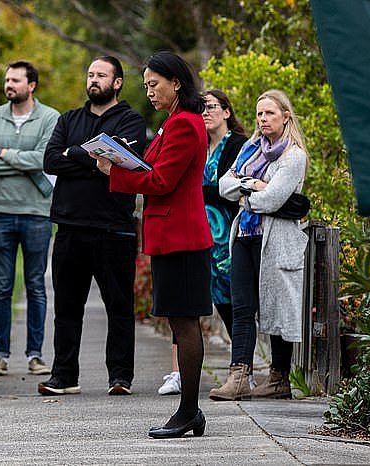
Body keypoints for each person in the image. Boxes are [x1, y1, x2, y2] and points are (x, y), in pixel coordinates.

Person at [92, 51, 212, 438]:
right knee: (180, 322)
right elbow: (152, 170)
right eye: (144, 86)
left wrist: (115, 172)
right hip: (170, 236)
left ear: (176, 82)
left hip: (183, 237)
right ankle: (189, 411)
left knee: (185, 323)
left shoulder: (185, 125)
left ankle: (190, 411)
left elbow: (161, 182)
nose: (149, 93)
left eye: (154, 85)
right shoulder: (172, 123)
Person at [38, 56, 146, 397]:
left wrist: (75, 156)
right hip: (70, 226)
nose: (93, 80)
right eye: (90, 74)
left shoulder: (131, 120)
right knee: (67, 307)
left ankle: (120, 377)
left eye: (101, 75)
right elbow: (51, 159)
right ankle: (64, 376)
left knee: (119, 307)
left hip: (114, 228)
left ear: (117, 83)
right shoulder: (69, 119)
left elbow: (123, 161)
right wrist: (91, 158)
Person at [209, 89, 309, 401]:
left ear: (285, 116)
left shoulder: (293, 156)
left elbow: (274, 199)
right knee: (242, 307)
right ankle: (239, 375)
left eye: (269, 113)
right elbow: (224, 185)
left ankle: (279, 377)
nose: (263, 119)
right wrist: (253, 186)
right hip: (244, 237)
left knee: (278, 307)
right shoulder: (251, 148)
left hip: (276, 240)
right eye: (259, 114)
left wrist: (247, 193)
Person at [157, 90, 248, 396]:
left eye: (212, 107)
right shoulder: (199, 142)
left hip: (224, 235)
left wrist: (198, 190)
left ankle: (241, 368)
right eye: (202, 107)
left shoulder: (236, 145)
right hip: (194, 231)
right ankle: (178, 372)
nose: (205, 112)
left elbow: (229, 189)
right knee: (184, 308)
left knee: (227, 301)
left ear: (227, 111)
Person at [0, 60, 60, 376]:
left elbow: (45, 159)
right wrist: (23, 162)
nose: (9, 85)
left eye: (15, 80)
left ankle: (35, 355)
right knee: (1, 287)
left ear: (31, 85)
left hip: (37, 214)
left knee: (36, 285)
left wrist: (5, 154)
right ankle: (0, 355)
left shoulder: (49, 118)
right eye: (6, 80)